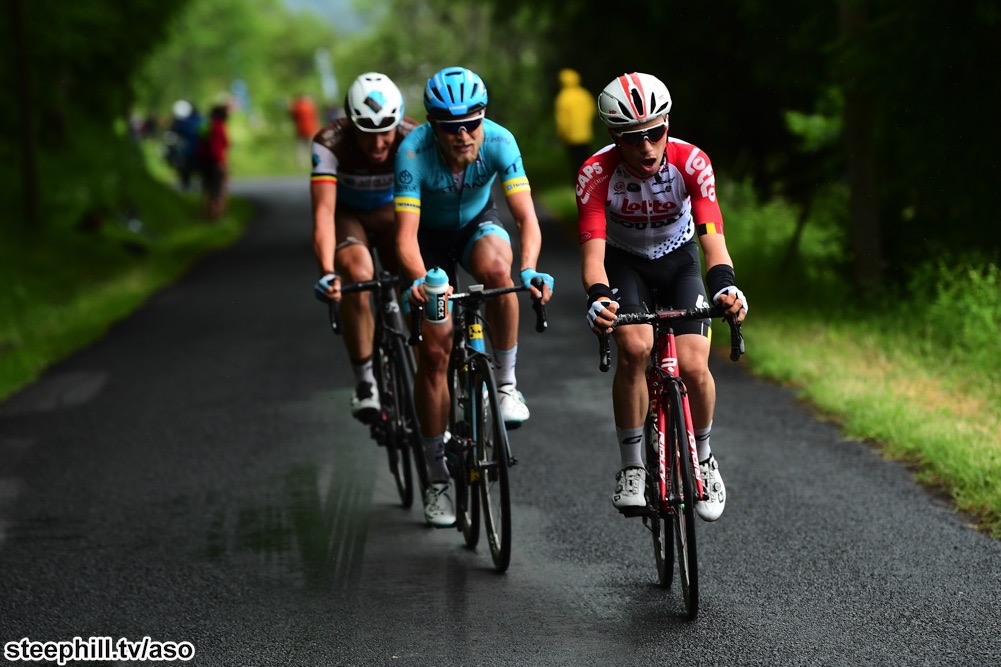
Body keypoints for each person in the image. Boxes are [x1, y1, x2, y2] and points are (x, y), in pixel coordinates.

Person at [577, 72, 748, 522]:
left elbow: (713, 238)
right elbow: (593, 254)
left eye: (655, 132)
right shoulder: (596, 173)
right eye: (633, 138)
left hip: (680, 260)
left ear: (667, 124)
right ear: (614, 136)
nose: (647, 146)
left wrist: (725, 285)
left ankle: (704, 458)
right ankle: (633, 466)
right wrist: (598, 297)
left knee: (693, 364)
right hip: (625, 262)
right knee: (635, 348)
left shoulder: (692, 162)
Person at [395, 66, 555, 527]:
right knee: (435, 354)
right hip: (427, 243)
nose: (463, 134)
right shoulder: (412, 152)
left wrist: (530, 267)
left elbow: (525, 218)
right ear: (433, 125)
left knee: (499, 272)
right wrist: (421, 280)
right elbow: (404, 238)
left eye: (472, 122)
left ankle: (505, 385)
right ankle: (437, 478)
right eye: (451, 126)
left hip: (476, 225)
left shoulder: (501, 141)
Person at [310, 73, 417, 423]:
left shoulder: (413, 137)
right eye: (367, 132)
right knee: (357, 275)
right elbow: (323, 215)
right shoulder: (330, 142)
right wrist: (328, 272)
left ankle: (425, 360)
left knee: (412, 275)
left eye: (386, 131)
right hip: (347, 215)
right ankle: (366, 383)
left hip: (391, 213)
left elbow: (426, 205)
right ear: (350, 124)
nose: (378, 143)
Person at [554, 68, 596, 178]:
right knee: (587, 160)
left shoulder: (563, 97)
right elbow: (592, 110)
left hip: (571, 137)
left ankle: (578, 181)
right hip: (586, 134)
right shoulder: (584, 94)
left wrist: (562, 134)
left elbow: (562, 120)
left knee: (576, 161)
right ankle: (591, 180)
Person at [198, 103, 230, 220]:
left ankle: (207, 216)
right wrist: (221, 163)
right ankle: (217, 218)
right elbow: (219, 146)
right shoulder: (219, 126)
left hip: (205, 162)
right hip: (216, 162)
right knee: (218, 191)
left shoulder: (207, 124)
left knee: (209, 191)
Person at [289, 94, 320, 167]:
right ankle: (315, 161)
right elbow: (315, 117)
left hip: (300, 130)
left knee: (301, 148)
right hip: (311, 129)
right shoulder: (311, 106)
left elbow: (292, 116)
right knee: (313, 147)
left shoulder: (297, 107)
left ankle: (301, 163)